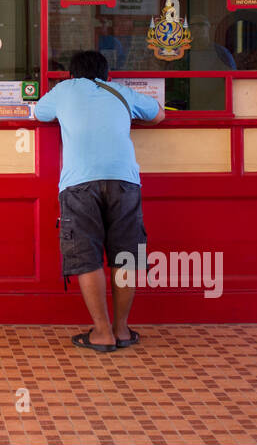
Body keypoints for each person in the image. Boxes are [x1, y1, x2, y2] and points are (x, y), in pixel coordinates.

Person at [34, 50, 164, 352]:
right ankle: (121, 330)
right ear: (107, 74)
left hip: (79, 183)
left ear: (71, 74)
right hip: (124, 180)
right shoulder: (120, 91)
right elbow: (159, 114)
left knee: (86, 255)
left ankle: (101, 332)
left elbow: (39, 113)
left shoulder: (64, 90)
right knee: (125, 255)